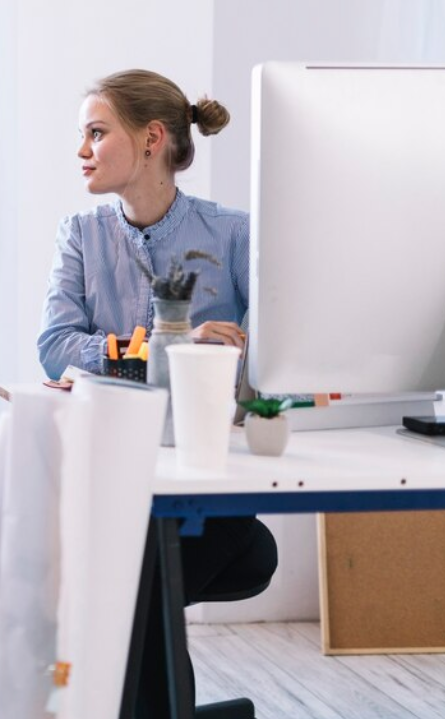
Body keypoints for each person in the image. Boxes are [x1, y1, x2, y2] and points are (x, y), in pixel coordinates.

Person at [36, 69, 276, 718]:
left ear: (151, 138)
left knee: (131, 576)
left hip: (207, 491)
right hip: (109, 478)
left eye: (95, 132)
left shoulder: (233, 234)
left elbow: (278, 354)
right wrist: (168, 348)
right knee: (130, 574)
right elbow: (56, 346)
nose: (81, 149)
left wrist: (230, 359)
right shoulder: (82, 235)